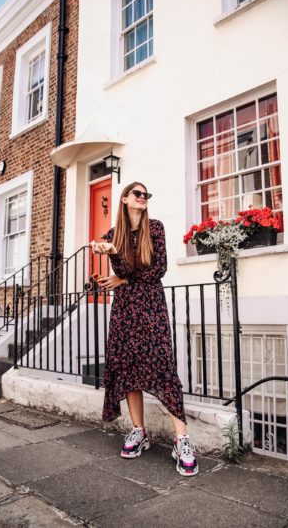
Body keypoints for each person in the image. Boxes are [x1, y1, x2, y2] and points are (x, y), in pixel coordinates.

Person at [90, 181, 198, 476]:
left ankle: (182, 440)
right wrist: (112, 251)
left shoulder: (157, 229)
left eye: (146, 195)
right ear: (124, 199)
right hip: (125, 310)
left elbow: (157, 269)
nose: (143, 198)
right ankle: (139, 431)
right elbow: (124, 269)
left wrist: (123, 279)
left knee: (163, 367)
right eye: (137, 194)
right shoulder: (114, 235)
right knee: (129, 368)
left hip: (151, 306)